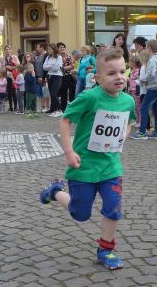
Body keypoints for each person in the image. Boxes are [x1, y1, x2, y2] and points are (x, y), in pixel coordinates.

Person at [40, 48, 137, 270]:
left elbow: (129, 122)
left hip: (111, 167)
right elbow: (65, 120)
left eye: (122, 71)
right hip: (83, 167)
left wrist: (121, 138)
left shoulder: (128, 101)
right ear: (98, 78)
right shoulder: (89, 97)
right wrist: (69, 152)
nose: (119, 77)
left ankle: (106, 250)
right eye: (111, 73)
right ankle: (55, 191)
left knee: (113, 208)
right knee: (80, 214)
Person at [131, 42, 157, 140]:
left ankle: (142, 132)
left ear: (149, 48)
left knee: (143, 109)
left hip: (153, 87)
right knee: (156, 109)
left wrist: (142, 79)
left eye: (146, 47)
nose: (145, 49)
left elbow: (151, 74)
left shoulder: (152, 60)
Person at [43, 43, 64, 117]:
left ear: (54, 49)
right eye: (48, 49)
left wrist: (49, 66)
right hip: (50, 76)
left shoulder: (59, 57)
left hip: (57, 76)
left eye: (50, 49)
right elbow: (44, 67)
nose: (48, 50)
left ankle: (59, 110)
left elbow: (57, 68)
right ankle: (53, 109)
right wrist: (52, 66)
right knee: (51, 93)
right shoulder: (48, 57)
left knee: (54, 93)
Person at [58, 42, 76, 111]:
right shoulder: (56, 56)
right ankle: (57, 108)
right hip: (57, 76)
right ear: (58, 49)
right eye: (60, 47)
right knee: (57, 93)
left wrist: (63, 68)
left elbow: (72, 65)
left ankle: (64, 108)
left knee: (65, 93)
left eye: (63, 47)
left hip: (66, 76)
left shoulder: (68, 56)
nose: (62, 48)